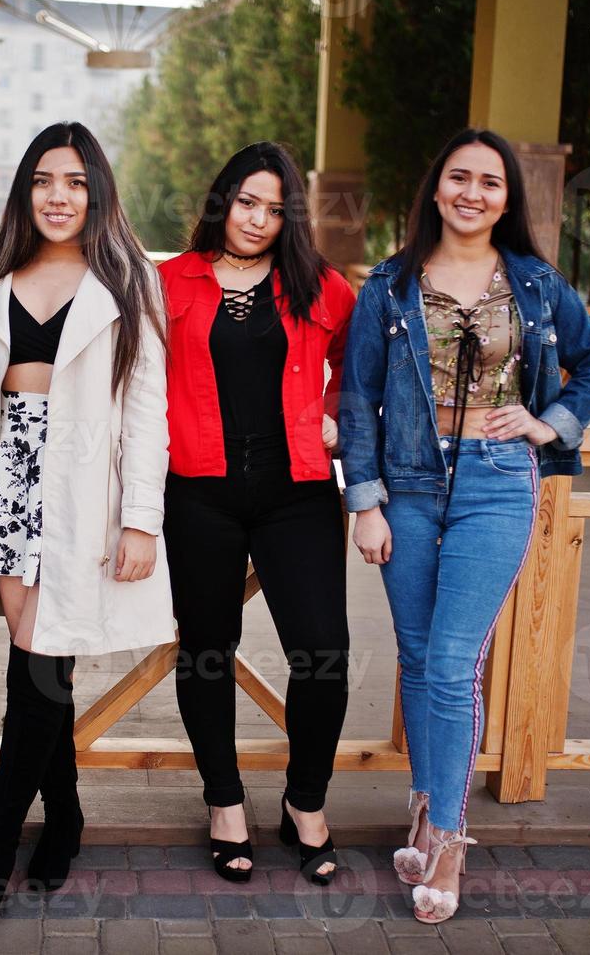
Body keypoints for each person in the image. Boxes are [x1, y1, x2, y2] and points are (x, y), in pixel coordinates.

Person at [338, 128, 590, 924]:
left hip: (497, 482)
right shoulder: (388, 286)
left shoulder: (533, 284)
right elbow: (356, 398)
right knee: (420, 657)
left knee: (456, 660)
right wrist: (363, 501)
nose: (471, 192)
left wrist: (547, 421)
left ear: (506, 199)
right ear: (435, 189)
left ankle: (452, 840)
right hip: (407, 484)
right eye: (457, 178)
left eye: (489, 182)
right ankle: (425, 807)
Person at [0, 121, 173, 929]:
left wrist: (142, 520)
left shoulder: (131, 280)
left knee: (36, 673)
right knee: (40, 667)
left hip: (85, 494)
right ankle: (64, 816)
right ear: (24, 190)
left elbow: (148, 409)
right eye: (43, 180)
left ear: (96, 190)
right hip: (8, 482)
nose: (58, 196)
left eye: (74, 181)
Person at [159, 142, 357, 886]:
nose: (259, 219)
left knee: (322, 653)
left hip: (298, 492)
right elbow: (132, 378)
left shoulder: (320, 285)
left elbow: (362, 367)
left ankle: (304, 802)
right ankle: (224, 804)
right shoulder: (168, 282)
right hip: (199, 489)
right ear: (222, 200)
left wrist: (336, 414)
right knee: (207, 647)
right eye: (247, 202)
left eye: (276, 209)